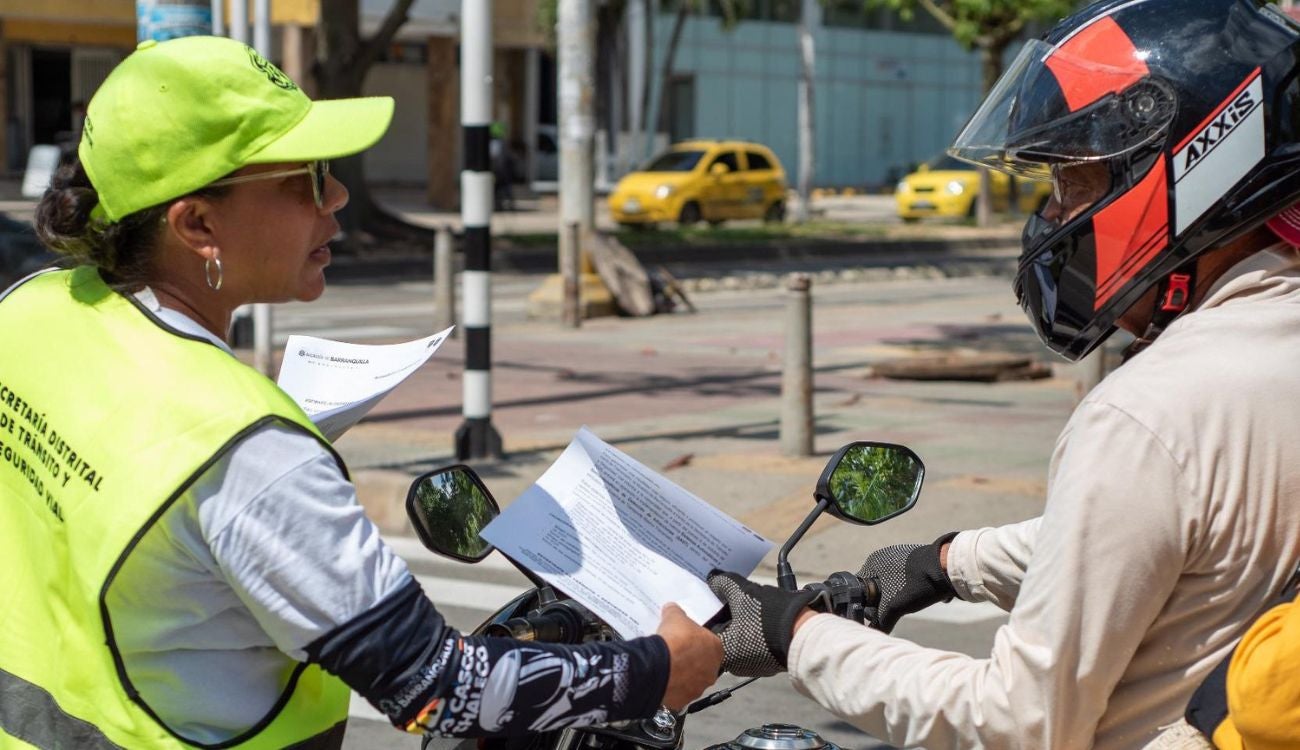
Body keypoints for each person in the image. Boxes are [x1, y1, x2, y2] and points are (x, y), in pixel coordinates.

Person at [0, 36, 720, 749]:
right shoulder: (244, 445)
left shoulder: (29, 310)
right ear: (198, 223)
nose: (338, 197)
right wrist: (656, 670)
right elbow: (433, 684)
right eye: (305, 181)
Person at [706, 0, 1300, 747]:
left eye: (1069, 184)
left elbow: (1019, 722)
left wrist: (799, 635)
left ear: (1189, 163)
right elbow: (1174, 529)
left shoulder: (1149, 414)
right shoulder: (1270, 347)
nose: (1051, 220)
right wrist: (946, 563)